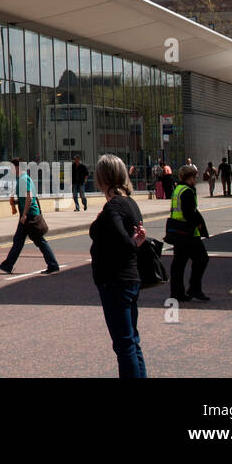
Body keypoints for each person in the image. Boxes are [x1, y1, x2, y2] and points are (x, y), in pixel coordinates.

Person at [89, 154, 148, 378]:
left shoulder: (113, 207)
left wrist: (133, 243)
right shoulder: (129, 202)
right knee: (132, 341)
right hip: (129, 279)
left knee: (124, 345)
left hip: (115, 281)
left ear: (102, 177)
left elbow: (123, 241)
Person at [0, 158, 60, 274]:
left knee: (38, 241)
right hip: (28, 215)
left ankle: (53, 265)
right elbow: (25, 198)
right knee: (19, 241)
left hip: (29, 216)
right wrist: (15, 202)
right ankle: (8, 265)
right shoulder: (22, 179)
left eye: (12, 168)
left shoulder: (23, 180)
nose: (11, 170)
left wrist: (24, 215)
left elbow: (29, 199)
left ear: (18, 167)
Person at [166, 164, 210, 302]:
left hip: (177, 231)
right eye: (195, 176)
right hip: (188, 233)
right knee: (202, 259)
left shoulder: (178, 189)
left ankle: (177, 292)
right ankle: (194, 289)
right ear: (190, 177)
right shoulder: (188, 191)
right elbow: (189, 213)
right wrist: (198, 224)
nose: (196, 178)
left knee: (179, 264)